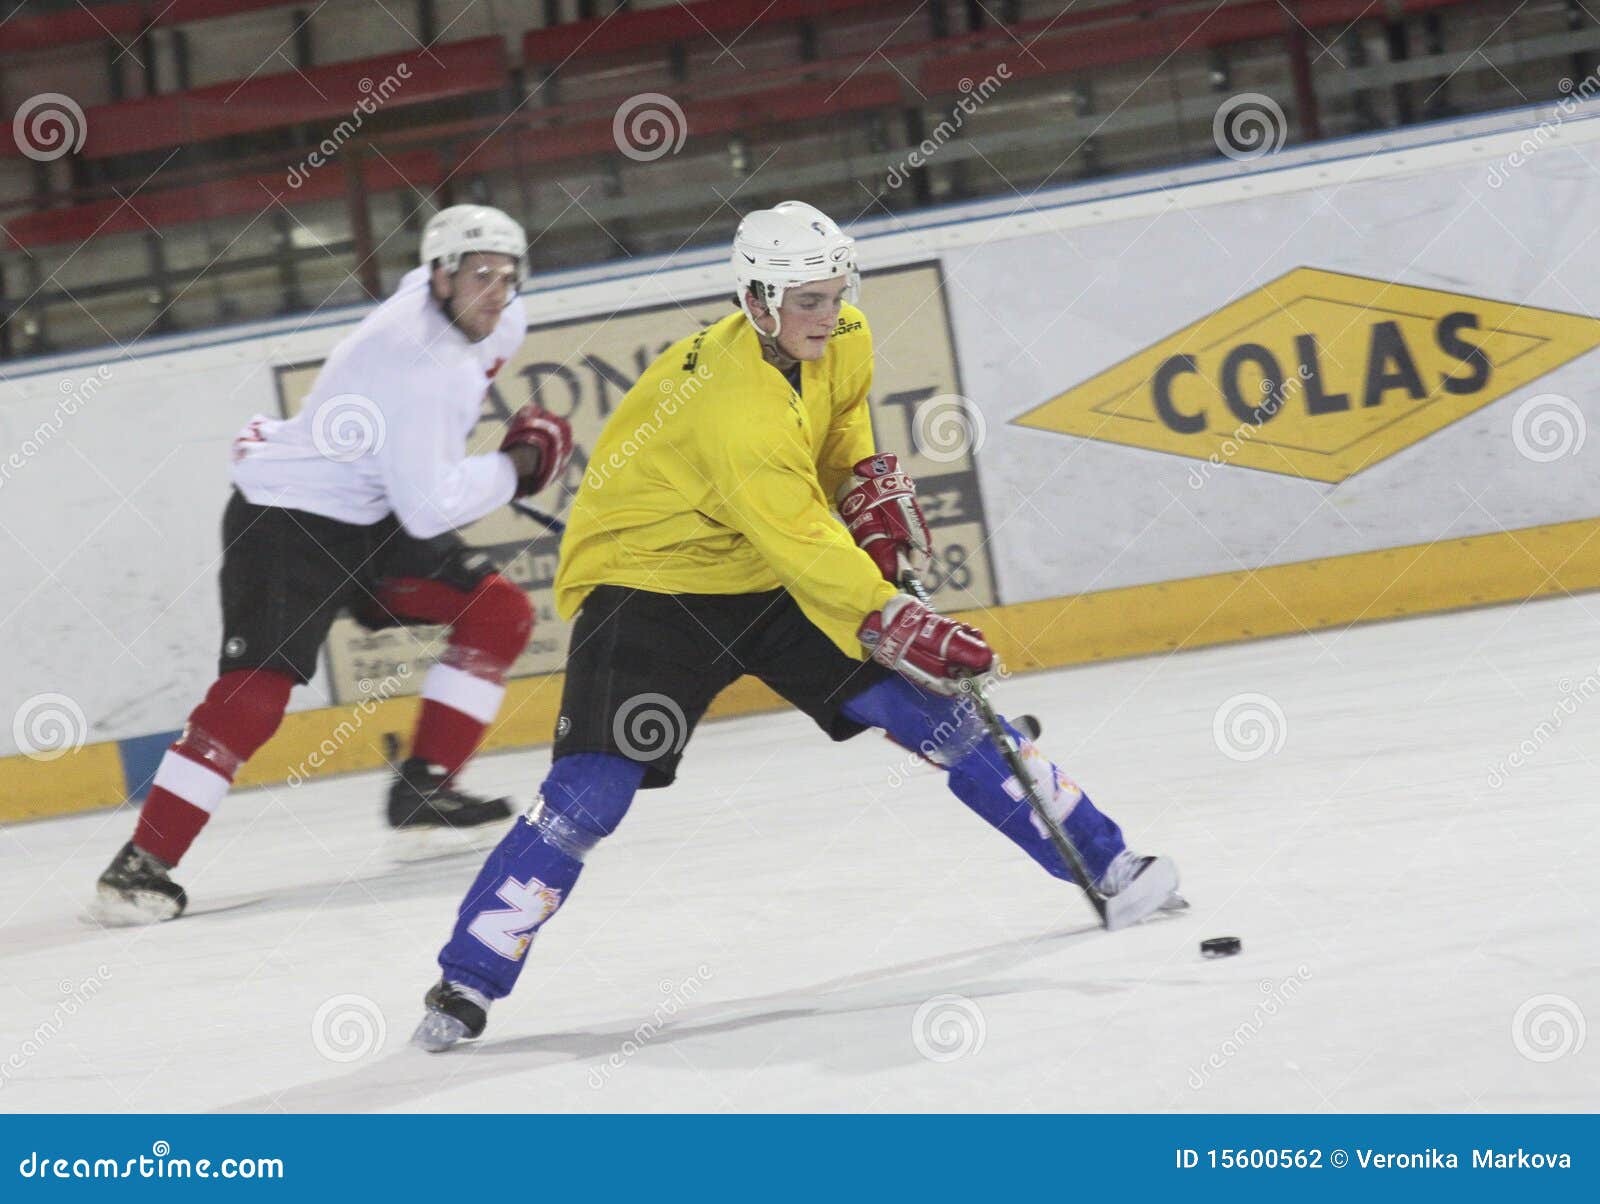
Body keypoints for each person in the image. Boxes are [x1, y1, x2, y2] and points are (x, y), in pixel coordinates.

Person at [411, 201, 1180, 1050]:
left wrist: (863, 478)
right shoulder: (730, 407)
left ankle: (1108, 865)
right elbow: (802, 538)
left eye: (834, 291)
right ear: (757, 300)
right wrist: (890, 613)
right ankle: (468, 977)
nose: (827, 313)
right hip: (650, 588)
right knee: (590, 798)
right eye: (805, 299)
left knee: (946, 720)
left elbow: (841, 422)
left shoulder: (842, 333)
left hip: (760, 567)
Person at [93, 205, 574, 924]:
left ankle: (427, 790)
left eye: (507, 277)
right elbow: (428, 508)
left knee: (499, 612)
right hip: (287, 521)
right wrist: (515, 467)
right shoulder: (421, 365)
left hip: (369, 509)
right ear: (440, 278)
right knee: (253, 699)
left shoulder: (482, 316)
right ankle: (139, 866)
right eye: (480, 276)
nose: (496, 292)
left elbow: (478, 364)